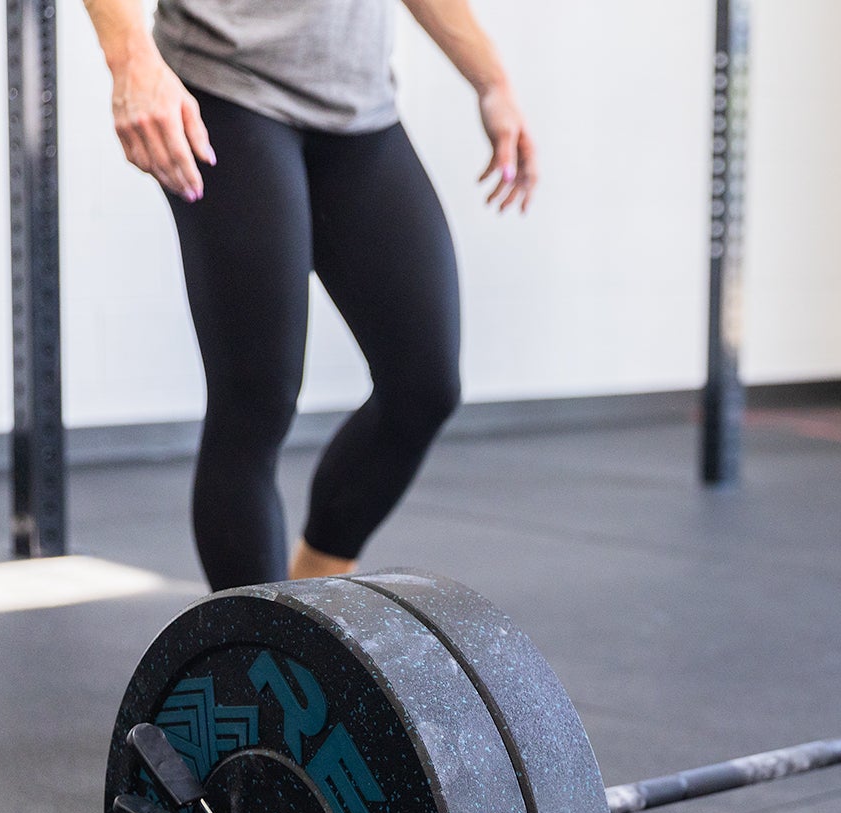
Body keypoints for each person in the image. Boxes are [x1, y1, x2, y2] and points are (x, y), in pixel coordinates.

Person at [79, 0, 537, 591]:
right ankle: (259, 657)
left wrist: (492, 81)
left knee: (424, 386)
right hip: (225, 88)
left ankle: (307, 606)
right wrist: (131, 59)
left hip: (359, 108)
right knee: (256, 403)